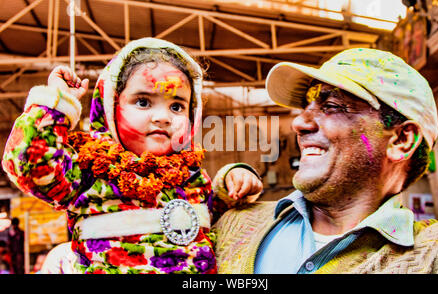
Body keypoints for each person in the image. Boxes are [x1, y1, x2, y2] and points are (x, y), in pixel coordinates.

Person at [2, 37, 262, 274]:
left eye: (177, 106)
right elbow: (29, 164)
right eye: (143, 102)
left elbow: (212, 213)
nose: (162, 117)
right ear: (110, 107)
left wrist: (232, 181)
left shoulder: (191, 176)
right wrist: (58, 104)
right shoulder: (89, 169)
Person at [213, 48, 438, 274]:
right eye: (307, 107)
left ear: (401, 140)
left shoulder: (435, 253)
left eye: (332, 107)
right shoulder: (235, 222)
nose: (299, 124)